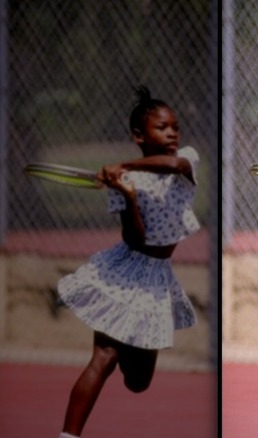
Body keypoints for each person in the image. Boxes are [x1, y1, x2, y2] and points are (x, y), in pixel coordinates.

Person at [57, 86, 200, 437]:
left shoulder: (186, 160)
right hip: (123, 271)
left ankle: (130, 355)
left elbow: (172, 163)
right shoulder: (125, 183)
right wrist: (128, 195)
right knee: (104, 356)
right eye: (162, 128)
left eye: (175, 127)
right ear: (139, 135)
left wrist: (123, 165)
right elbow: (134, 239)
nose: (171, 134)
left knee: (138, 382)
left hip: (157, 281)